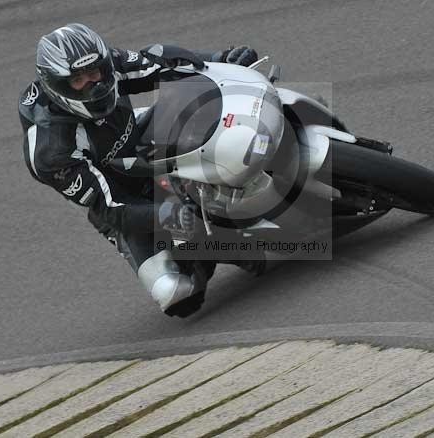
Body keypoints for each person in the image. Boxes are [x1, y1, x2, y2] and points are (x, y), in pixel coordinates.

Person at [18, 23, 258, 317]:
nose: (94, 83)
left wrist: (221, 58)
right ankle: (214, 248)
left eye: (95, 72)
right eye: (79, 79)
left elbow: (158, 63)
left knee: (198, 98)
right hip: (121, 199)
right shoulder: (50, 152)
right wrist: (167, 215)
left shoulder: (108, 66)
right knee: (177, 296)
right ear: (57, 85)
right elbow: (111, 208)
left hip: (139, 142)